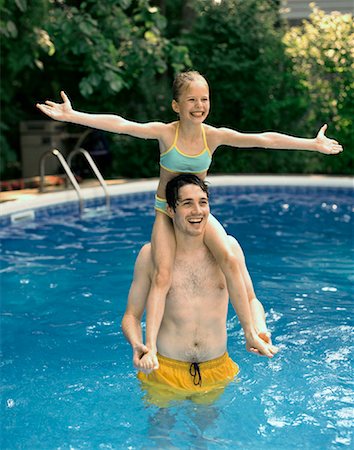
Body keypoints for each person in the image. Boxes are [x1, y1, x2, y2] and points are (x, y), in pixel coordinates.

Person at [36, 71, 342, 366]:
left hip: (195, 211)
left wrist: (311, 144)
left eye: (204, 99)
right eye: (192, 100)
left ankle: (249, 333)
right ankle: (151, 348)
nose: (199, 106)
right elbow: (121, 124)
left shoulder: (214, 136)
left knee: (230, 258)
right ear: (176, 106)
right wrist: (72, 116)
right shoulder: (166, 132)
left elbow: (264, 139)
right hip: (165, 211)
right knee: (163, 275)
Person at [121, 174, 278, 406]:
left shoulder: (229, 249)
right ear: (171, 210)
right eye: (187, 203)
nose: (197, 211)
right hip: (164, 369)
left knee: (206, 438)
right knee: (161, 438)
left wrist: (260, 330)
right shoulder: (150, 255)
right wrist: (138, 346)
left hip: (217, 368)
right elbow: (131, 316)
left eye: (203, 202)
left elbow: (252, 300)